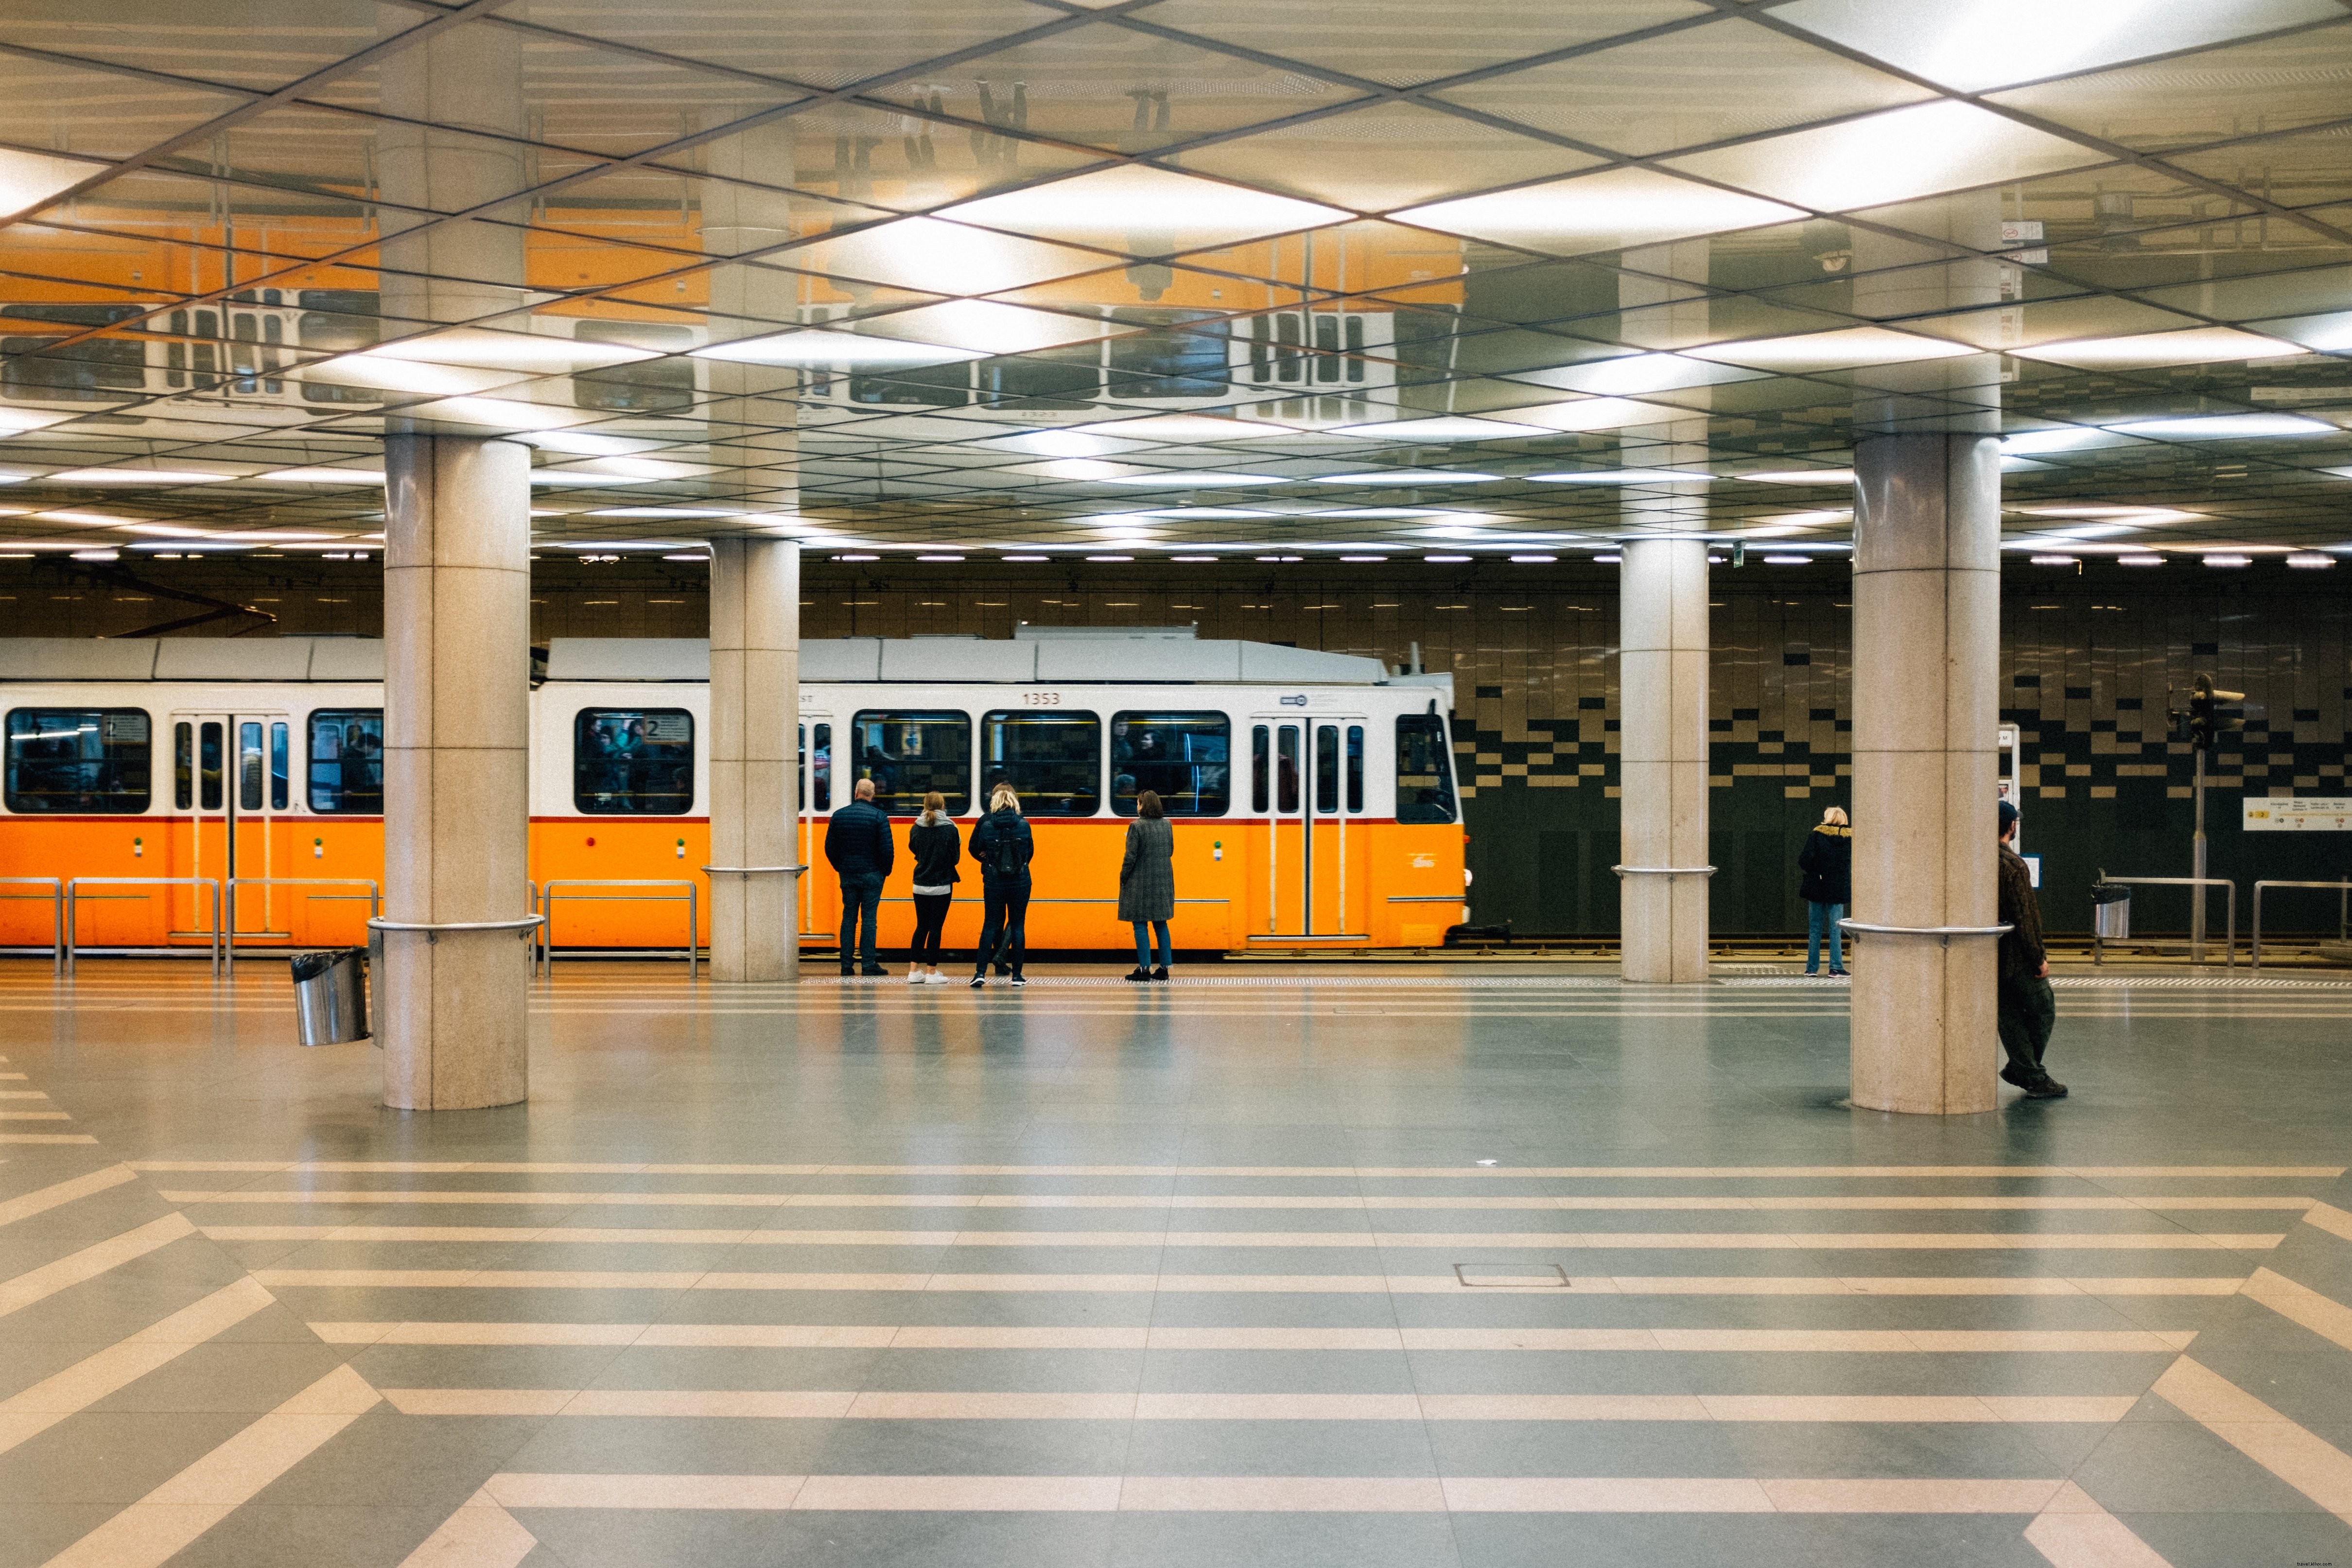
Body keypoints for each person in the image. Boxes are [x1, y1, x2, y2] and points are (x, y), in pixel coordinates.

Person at [1997, 799, 2066, 1099]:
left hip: (1988, 955)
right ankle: (2028, 1072)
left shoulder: (1974, 862)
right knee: (2043, 1008)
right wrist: (2038, 958)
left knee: (2009, 1015)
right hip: (2016, 957)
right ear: (2012, 826)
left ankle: (2026, 1070)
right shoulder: (2013, 865)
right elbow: (2025, 916)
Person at [824, 776, 894, 976]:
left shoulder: (839, 816)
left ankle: (846, 966)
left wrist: (841, 867)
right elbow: (887, 850)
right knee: (869, 919)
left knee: (849, 918)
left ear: (856, 793)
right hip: (872, 875)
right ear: (872, 795)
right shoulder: (879, 817)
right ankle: (869, 964)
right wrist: (884, 872)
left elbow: (830, 848)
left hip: (848, 874)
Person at [967, 783, 1033, 988]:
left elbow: (976, 848)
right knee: (1018, 925)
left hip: (994, 881)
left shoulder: (986, 825)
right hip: (1020, 881)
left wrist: (989, 863)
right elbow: (1029, 853)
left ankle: (980, 973)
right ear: (1014, 802)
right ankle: (1017, 976)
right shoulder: (1024, 824)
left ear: (994, 802)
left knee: (990, 924)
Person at [1119, 787, 1175, 982]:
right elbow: (1170, 851)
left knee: (1140, 924)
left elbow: (1131, 857)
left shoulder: (1137, 827)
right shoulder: (1167, 825)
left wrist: (1123, 876)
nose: (1137, 806)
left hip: (1140, 882)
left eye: (1138, 803)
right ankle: (1164, 969)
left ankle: (1144, 969)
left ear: (1144, 806)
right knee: (1161, 924)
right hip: (1162, 881)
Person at [906, 790, 960, 986]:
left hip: (919, 884)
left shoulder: (916, 828)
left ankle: (913, 972)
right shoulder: (951, 829)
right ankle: (931, 972)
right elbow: (956, 858)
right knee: (936, 928)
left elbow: (914, 850)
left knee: (921, 926)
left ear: (925, 805)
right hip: (942, 886)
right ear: (943, 806)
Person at [1797, 805, 1852, 977]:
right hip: (1837, 887)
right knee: (1836, 928)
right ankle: (1836, 967)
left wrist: (1817, 870)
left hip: (1817, 885)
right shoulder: (1850, 839)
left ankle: (1811, 968)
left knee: (1815, 928)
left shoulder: (1816, 835)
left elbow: (1804, 860)